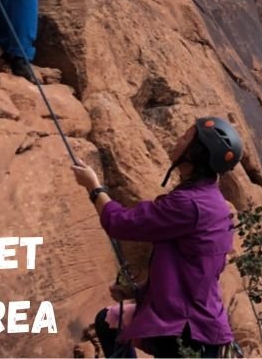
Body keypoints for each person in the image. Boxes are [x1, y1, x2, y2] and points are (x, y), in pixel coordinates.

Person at [71, 117, 243, 358]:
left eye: (186, 137)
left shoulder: (189, 204)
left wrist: (94, 187)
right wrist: (140, 292)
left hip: (186, 331)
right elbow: (195, 272)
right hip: (200, 327)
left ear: (195, 153)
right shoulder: (213, 203)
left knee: (111, 322)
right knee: (109, 320)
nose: (178, 139)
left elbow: (121, 223)